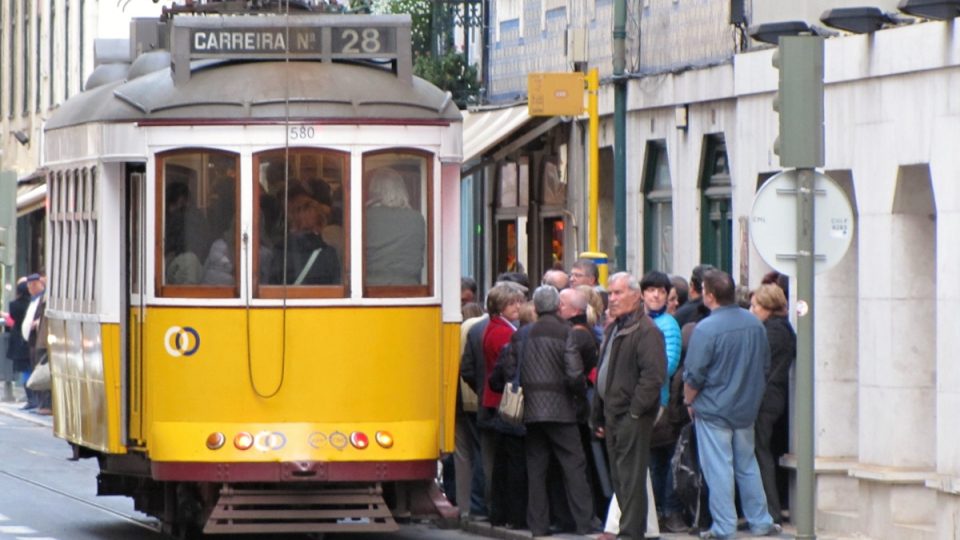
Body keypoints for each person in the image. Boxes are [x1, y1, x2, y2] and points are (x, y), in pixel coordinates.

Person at [683, 270, 780, 539]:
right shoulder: (754, 324)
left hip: (714, 408)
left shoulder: (705, 329)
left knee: (719, 468)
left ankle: (724, 526)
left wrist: (688, 400)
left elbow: (694, 375)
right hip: (745, 407)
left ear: (710, 295)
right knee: (747, 465)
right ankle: (760, 520)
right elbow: (764, 366)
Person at [494, 286, 596, 536]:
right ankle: (584, 522)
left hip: (531, 411)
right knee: (574, 466)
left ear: (536, 308)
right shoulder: (566, 332)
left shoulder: (522, 335)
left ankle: (538, 526)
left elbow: (510, 371)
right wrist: (580, 397)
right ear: (558, 307)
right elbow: (574, 373)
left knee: (536, 468)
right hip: (562, 410)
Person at [590, 272, 666, 540]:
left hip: (631, 415)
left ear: (636, 296)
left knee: (631, 479)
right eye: (610, 293)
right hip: (614, 414)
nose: (612, 299)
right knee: (621, 479)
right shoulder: (616, 328)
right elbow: (605, 372)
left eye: (618, 293)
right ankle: (629, 529)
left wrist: (635, 411)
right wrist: (598, 414)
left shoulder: (646, 331)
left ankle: (631, 533)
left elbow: (653, 377)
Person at [639, 271, 686, 533]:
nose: (655, 295)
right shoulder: (639, 320)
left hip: (659, 403)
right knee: (651, 460)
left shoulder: (668, 324)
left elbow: (667, 365)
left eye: (660, 291)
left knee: (659, 460)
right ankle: (655, 511)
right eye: (650, 290)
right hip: (642, 399)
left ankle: (665, 510)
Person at [479, 282, 528, 528]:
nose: (518, 307)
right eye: (512, 303)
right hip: (503, 401)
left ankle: (497, 511)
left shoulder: (497, 328)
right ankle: (501, 510)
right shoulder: (503, 333)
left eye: (519, 301)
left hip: (494, 397)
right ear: (499, 307)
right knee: (505, 461)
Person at [750, 283, 796, 525]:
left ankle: (769, 510)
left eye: (756, 305)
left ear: (768, 307)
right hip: (773, 395)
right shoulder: (781, 329)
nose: (752, 309)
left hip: (766, 397)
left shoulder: (772, 332)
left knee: (761, 452)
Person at [364, 167, 426, 286]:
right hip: (412, 289)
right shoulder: (417, 219)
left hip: (371, 289)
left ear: (374, 190)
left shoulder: (365, 218)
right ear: (402, 189)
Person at [285, 191, 340, 285]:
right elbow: (335, 285)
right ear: (320, 222)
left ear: (292, 220)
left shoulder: (281, 249)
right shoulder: (328, 254)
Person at [6, 279, 35, 409]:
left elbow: (12, 321)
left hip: (18, 340)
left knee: (25, 371)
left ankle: (30, 398)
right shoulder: (32, 304)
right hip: (31, 339)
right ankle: (35, 398)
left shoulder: (14, 305)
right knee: (32, 367)